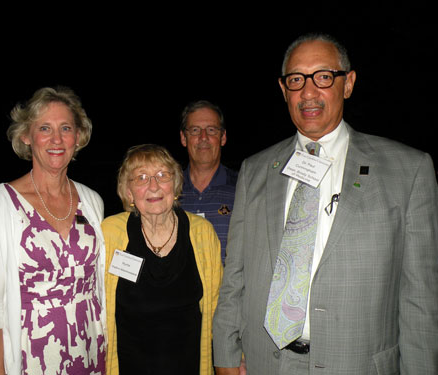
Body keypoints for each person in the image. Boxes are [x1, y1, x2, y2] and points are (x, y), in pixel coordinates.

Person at [212, 32, 438, 375]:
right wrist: (225, 355)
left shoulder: (408, 171)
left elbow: (420, 298)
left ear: (347, 84)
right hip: (264, 364)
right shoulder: (255, 170)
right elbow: (235, 276)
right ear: (283, 89)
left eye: (323, 77)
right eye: (296, 79)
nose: (308, 92)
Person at [0, 87, 106, 375]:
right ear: (26, 136)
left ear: (77, 137)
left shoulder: (92, 202)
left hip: (94, 359)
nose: (56, 139)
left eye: (65, 128)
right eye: (45, 128)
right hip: (32, 364)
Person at [101, 144, 223, 375]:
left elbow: (219, 305)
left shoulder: (202, 233)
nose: (153, 185)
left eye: (162, 175)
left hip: (189, 365)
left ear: (175, 185)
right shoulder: (110, 232)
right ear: (129, 193)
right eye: (141, 177)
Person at [179, 100, 238, 265]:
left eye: (211, 130)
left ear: (223, 137)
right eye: (195, 130)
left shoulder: (243, 188)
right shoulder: (167, 191)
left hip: (227, 290)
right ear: (184, 138)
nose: (203, 137)